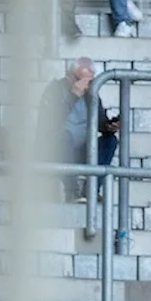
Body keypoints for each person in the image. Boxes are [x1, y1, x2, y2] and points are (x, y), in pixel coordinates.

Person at [38, 58, 120, 202]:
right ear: (70, 76)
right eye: (81, 79)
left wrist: (110, 126)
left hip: (82, 149)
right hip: (56, 148)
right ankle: (72, 192)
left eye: (90, 81)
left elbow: (100, 122)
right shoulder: (55, 89)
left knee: (110, 141)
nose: (86, 85)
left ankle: (91, 190)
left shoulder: (91, 93)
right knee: (64, 137)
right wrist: (73, 95)